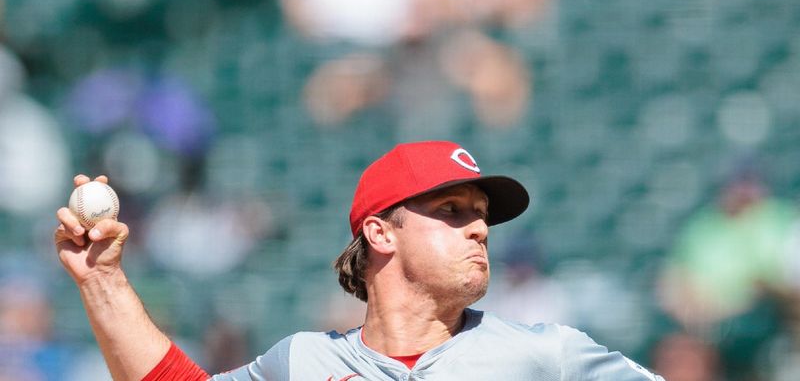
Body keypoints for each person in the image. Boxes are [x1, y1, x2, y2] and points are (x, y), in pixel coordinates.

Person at [54, 140, 663, 380]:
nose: (479, 227)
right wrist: (102, 279)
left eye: (481, 214)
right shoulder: (303, 361)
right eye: (451, 210)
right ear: (381, 232)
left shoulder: (546, 357)